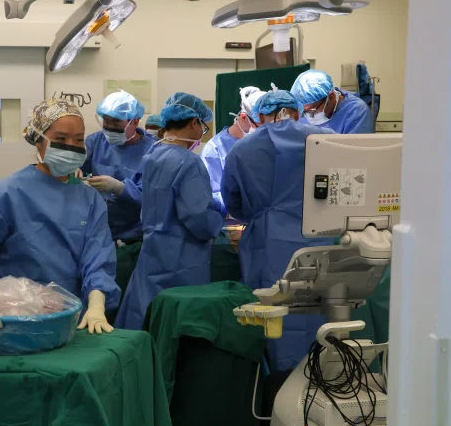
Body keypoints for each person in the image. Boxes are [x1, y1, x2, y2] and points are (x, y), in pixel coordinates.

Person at [0, 98, 120, 334]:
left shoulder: (90, 199)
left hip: (69, 320)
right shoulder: (6, 194)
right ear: (38, 140)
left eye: (79, 139)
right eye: (61, 140)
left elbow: (98, 260)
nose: (71, 147)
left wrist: (96, 305)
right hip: (11, 322)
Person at [221, 88, 336, 371]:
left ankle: (274, 384)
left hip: (266, 243)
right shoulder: (327, 141)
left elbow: (232, 201)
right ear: (297, 111)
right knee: (321, 309)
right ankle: (325, 372)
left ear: (259, 116)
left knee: (272, 313)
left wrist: (259, 214)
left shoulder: (241, 149)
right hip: (320, 237)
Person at [114, 93, 226, 330]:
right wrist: (218, 216)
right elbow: (198, 217)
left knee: (147, 318)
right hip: (182, 259)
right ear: (194, 123)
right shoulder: (188, 162)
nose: (201, 134)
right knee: (177, 325)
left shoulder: (153, 156)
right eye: (203, 127)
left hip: (153, 252)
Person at [84, 91, 155, 242]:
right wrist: (72, 169)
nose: (109, 127)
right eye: (106, 121)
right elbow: (76, 168)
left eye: (116, 122)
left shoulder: (152, 151)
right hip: (98, 228)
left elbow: (152, 199)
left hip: (134, 234)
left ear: (135, 122)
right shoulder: (95, 142)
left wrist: (120, 188)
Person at [201, 86, 265, 214]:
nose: (264, 133)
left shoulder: (263, 146)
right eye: (260, 127)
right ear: (243, 117)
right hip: (230, 223)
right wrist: (241, 204)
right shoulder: (215, 150)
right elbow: (210, 197)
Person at [291, 69, 374, 134]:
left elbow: (355, 153)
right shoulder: (302, 111)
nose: (308, 116)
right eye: (303, 112)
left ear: (331, 97)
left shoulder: (357, 112)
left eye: (312, 111)